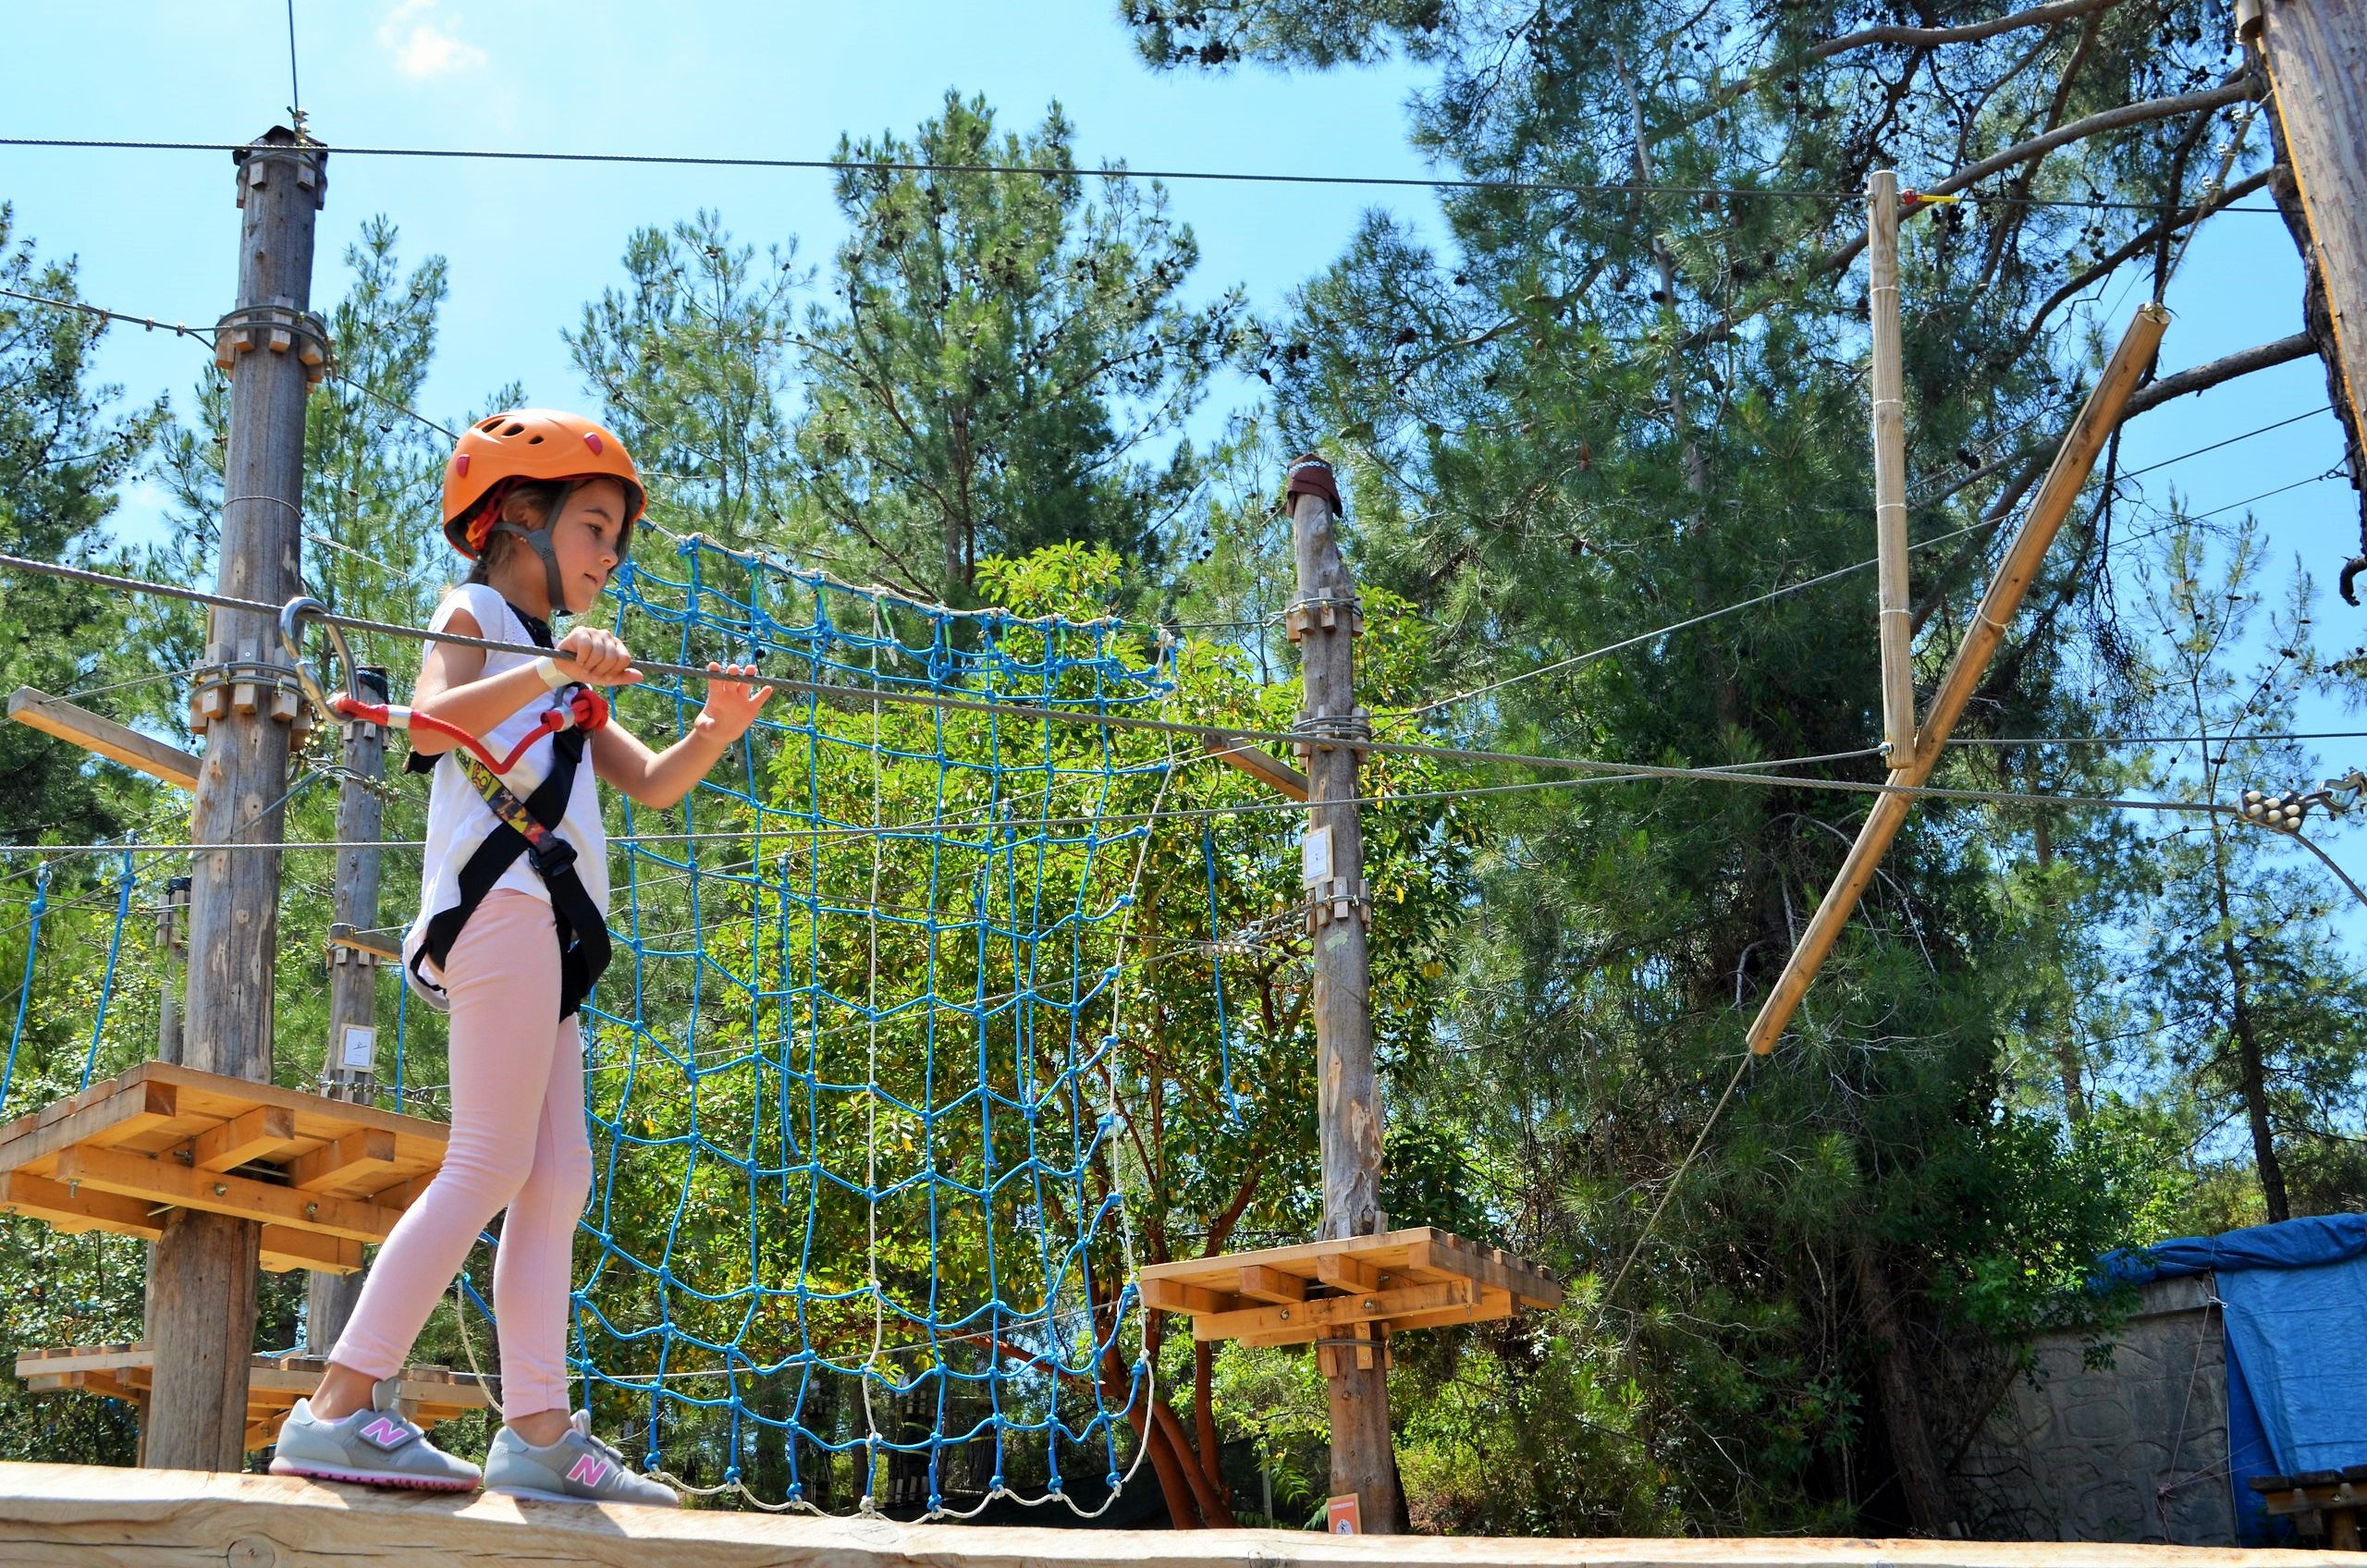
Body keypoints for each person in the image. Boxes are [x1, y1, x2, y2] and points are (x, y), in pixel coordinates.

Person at [268, 410, 772, 1505]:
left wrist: (714, 727)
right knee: (491, 1161)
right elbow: (429, 725)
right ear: (517, 521)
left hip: (550, 926)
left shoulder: (562, 667)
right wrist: (547, 667)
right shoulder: (479, 614)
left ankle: (538, 1429)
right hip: (498, 907)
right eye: (593, 527)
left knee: (556, 1174)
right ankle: (338, 1407)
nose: (608, 556)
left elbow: (652, 783)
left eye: (615, 539)